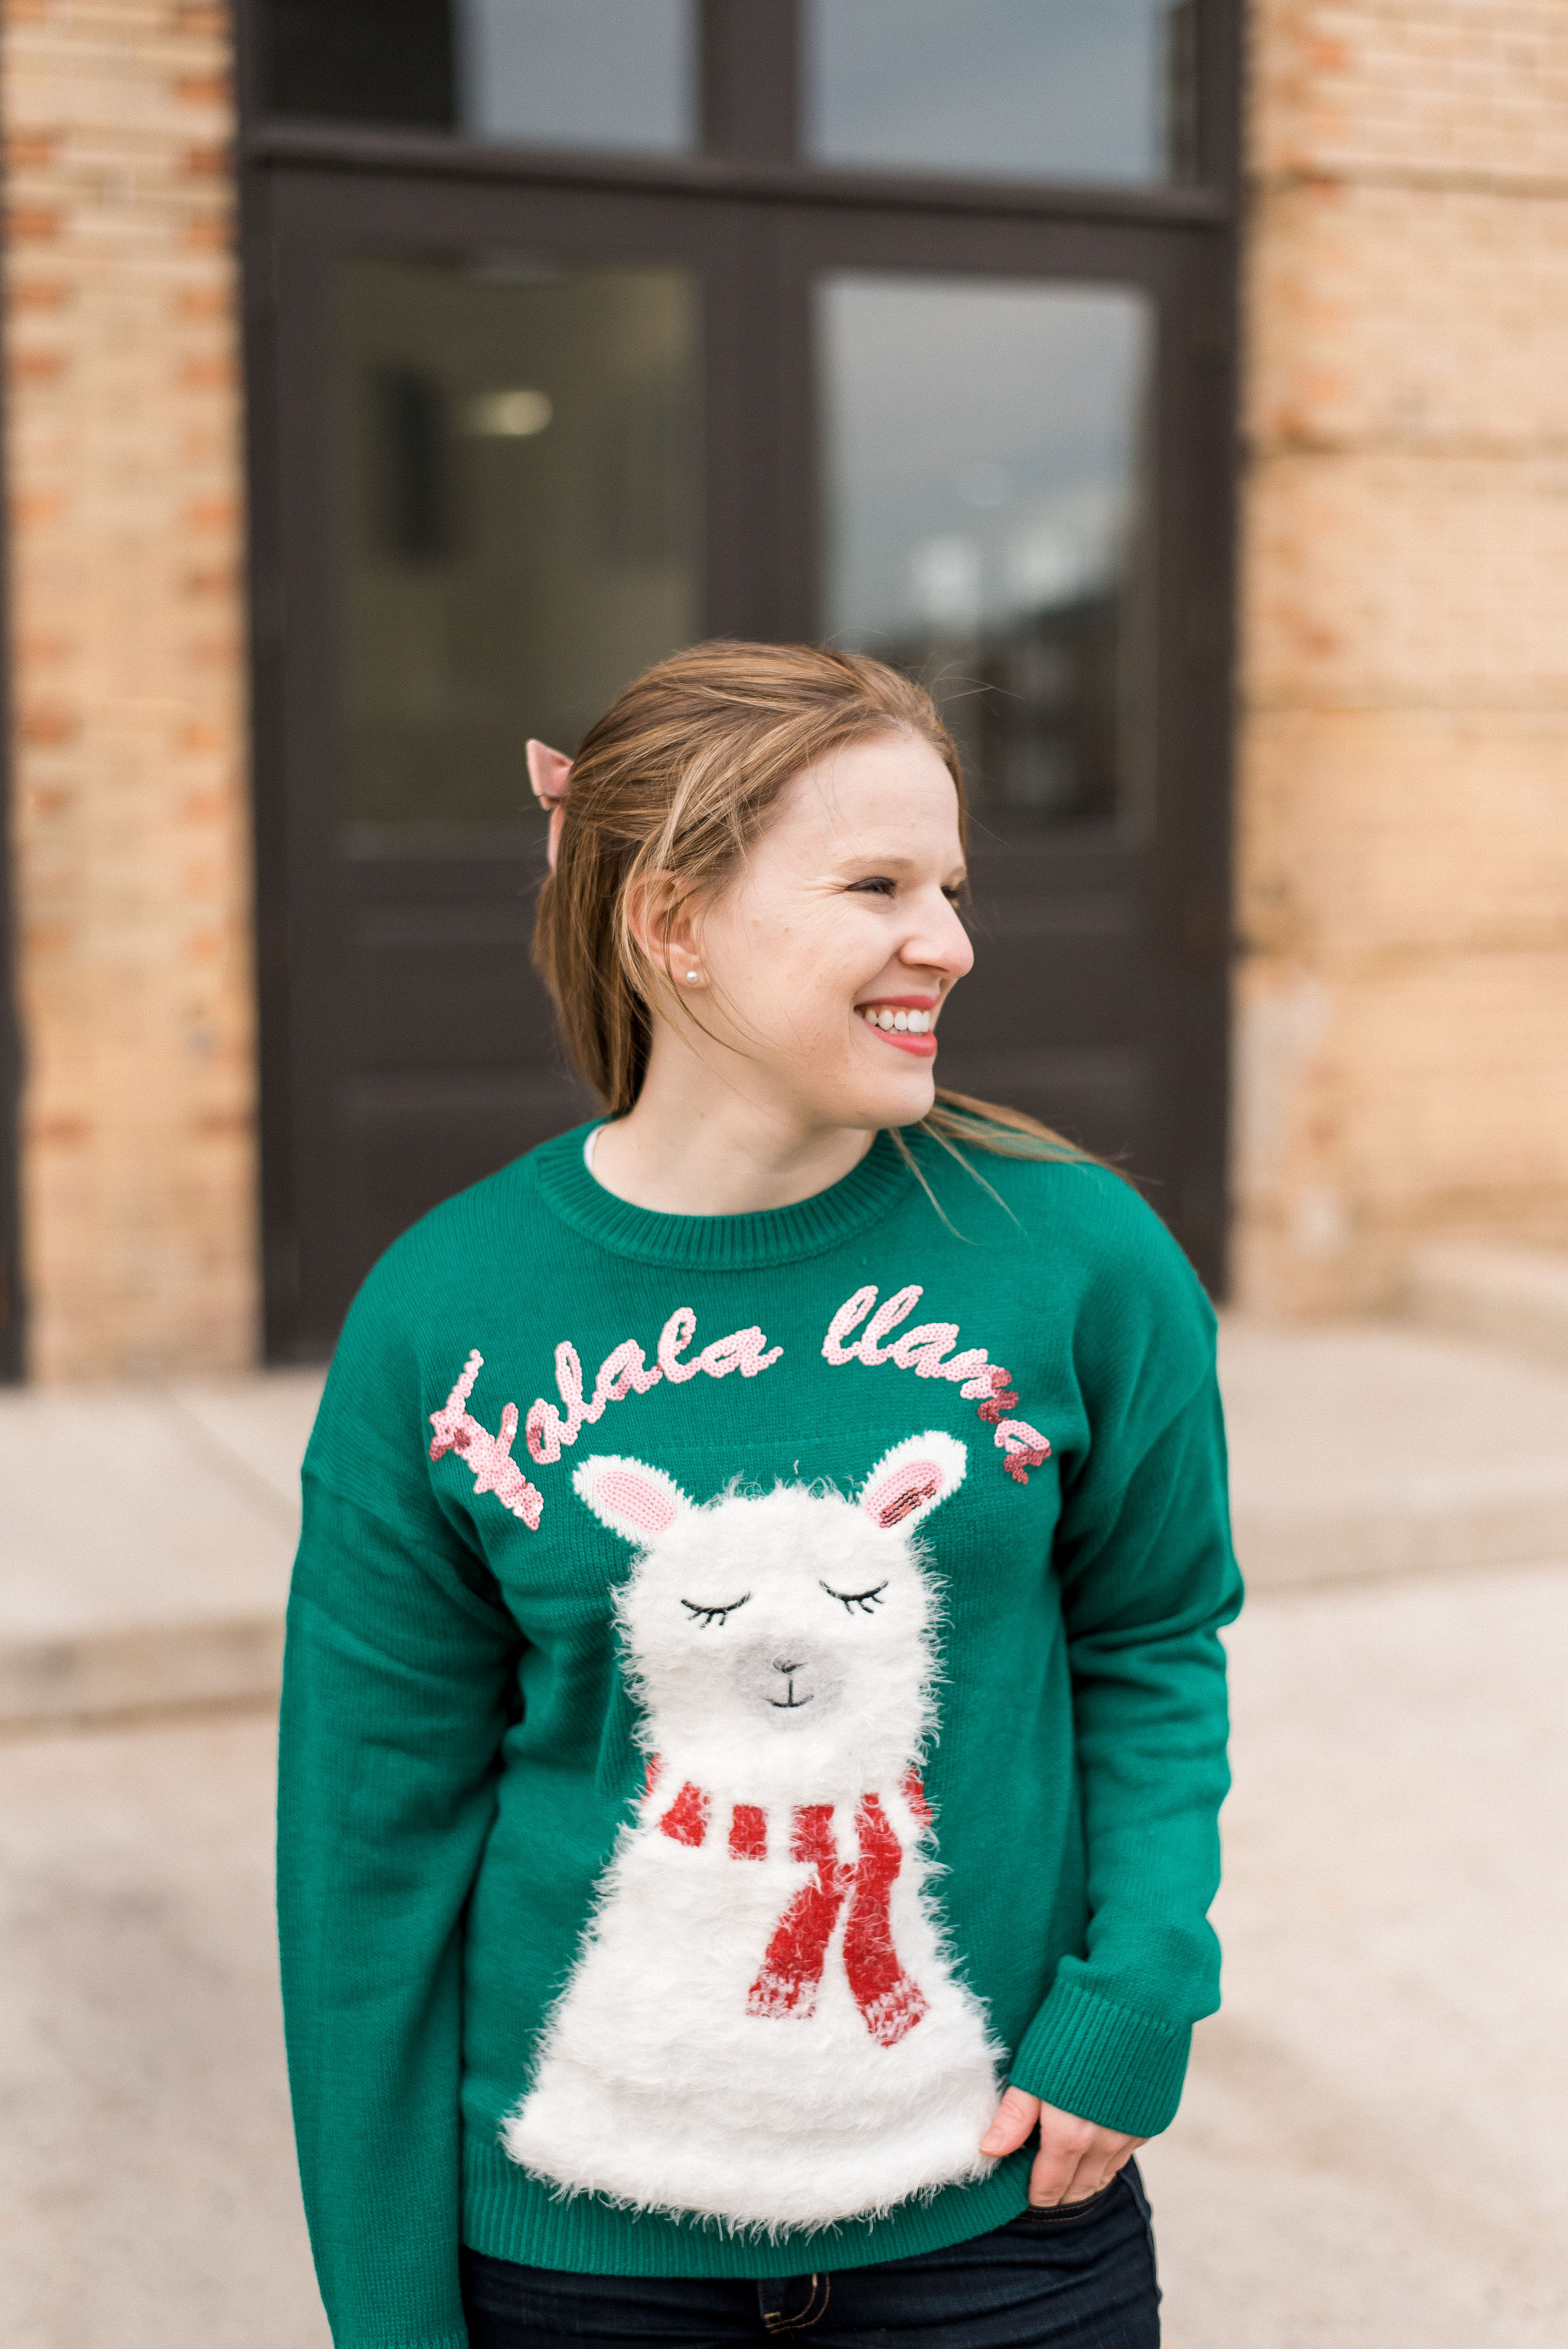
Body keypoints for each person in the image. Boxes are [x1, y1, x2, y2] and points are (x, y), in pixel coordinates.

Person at [277, 640, 1242, 2349]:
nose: (945, 939)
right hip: (576, 2258)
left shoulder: (1083, 1258)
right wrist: (389, 2311)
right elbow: (367, 1844)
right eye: (874, 884)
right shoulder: (443, 1313)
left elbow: (1154, 1636)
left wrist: (1133, 1997)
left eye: (947, 883)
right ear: (673, 923)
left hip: (999, 2223)